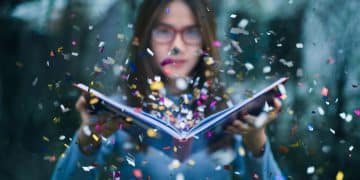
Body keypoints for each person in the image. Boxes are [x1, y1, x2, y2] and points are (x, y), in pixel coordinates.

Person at [52, 0, 283, 179]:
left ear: (205, 39)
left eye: (191, 32)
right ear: (146, 37)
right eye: (164, 31)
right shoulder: (117, 108)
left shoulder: (232, 111)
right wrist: (87, 138)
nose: (177, 47)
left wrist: (256, 141)